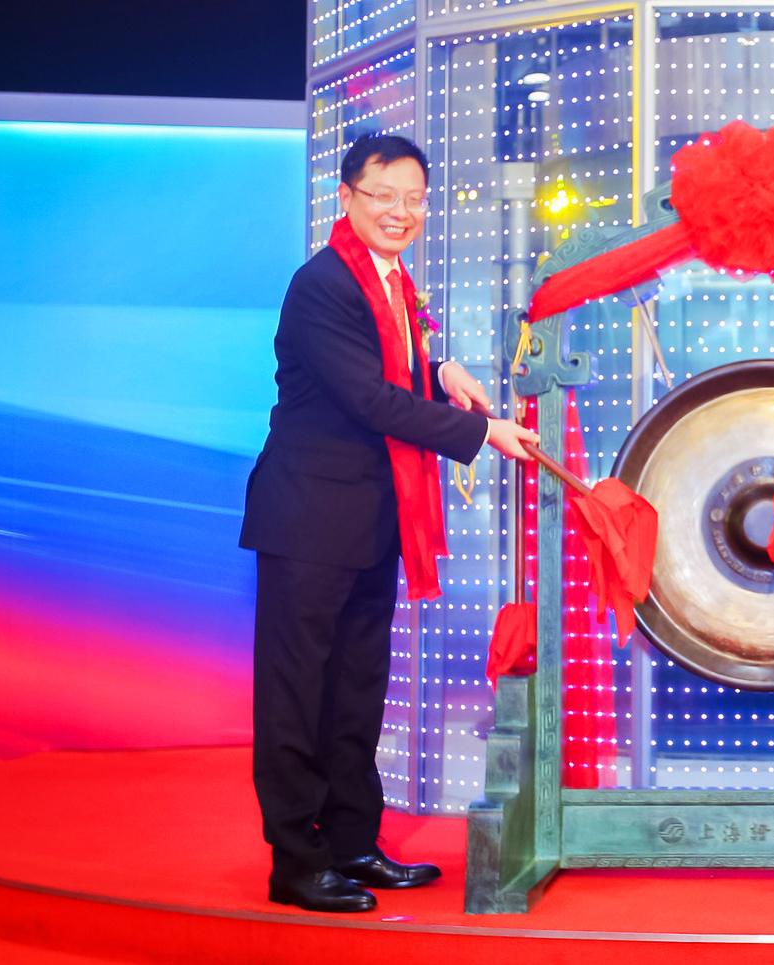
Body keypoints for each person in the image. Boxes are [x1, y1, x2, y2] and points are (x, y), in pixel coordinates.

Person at [240, 133, 539, 913]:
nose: (400, 212)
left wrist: (439, 373)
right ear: (346, 197)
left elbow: (395, 372)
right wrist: (482, 432)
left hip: (370, 520)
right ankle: (295, 862)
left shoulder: (393, 282)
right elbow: (368, 397)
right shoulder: (323, 284)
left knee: (355, 690)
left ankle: (352, 842)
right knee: (297, 696)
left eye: (414, 199)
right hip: (308, 520)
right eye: (383, 196)